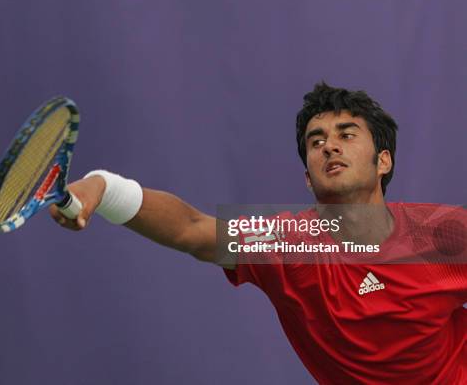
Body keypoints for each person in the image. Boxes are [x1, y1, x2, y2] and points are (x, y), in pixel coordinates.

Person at [49, 83, 466, 384]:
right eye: (316, 141)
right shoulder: (286, 243)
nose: (329, 147)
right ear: (308, 178)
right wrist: (102, 188)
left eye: (347, 135)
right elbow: (191, 229)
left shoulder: (444, 236)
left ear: (383, 162)